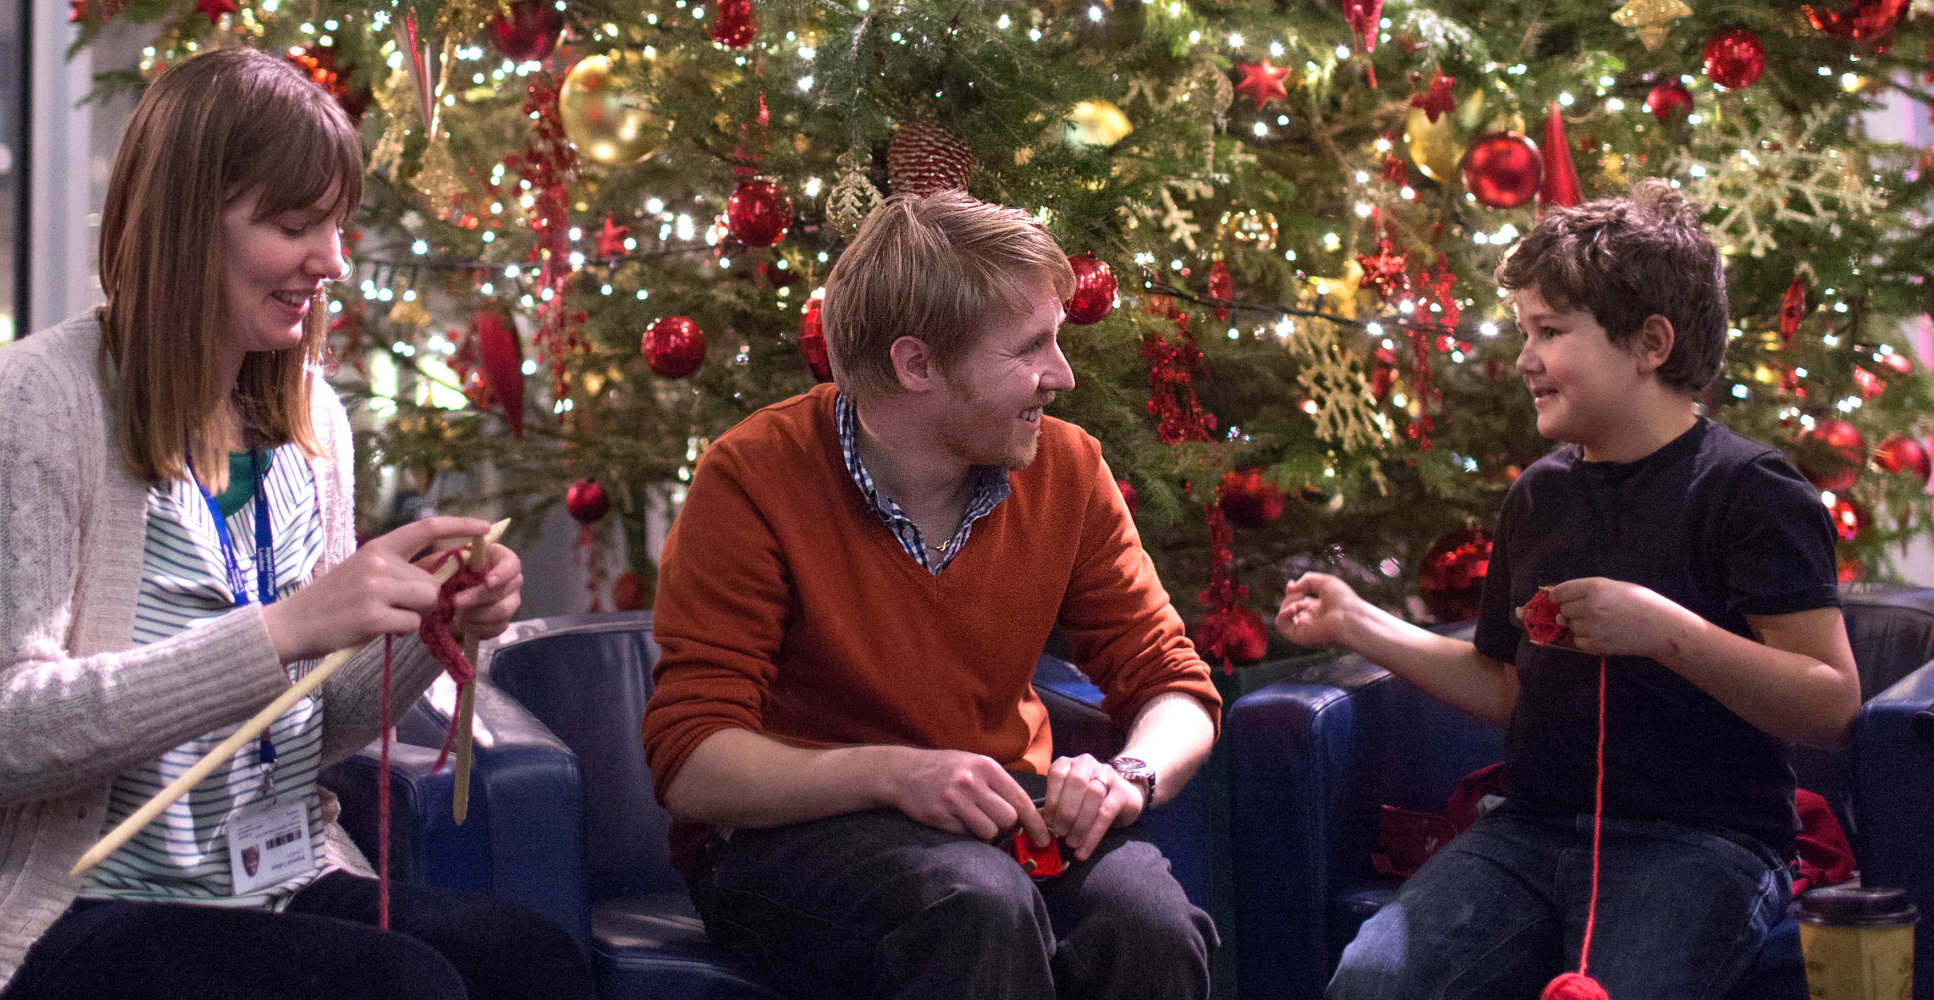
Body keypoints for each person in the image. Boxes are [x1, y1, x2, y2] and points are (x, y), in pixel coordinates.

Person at [0, 48, 594, 1000]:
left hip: (275, 880)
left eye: (336, 224)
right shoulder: (41, 401)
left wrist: (431, 629)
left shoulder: (315, 421)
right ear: (187, 228)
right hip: (81, 908)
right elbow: (10, 732)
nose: (332, 260)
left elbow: (304, 735)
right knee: (400, 987)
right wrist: (284, 628)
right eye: (293, 225)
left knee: (531, 961)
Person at [1276, 179, 1859, 1000]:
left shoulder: (1750, 490)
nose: (1524, 360)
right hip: (1530, 831)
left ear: (1651, 342)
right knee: (1370, 984)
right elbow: (1511, 688)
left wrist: (1664, 631)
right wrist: (1359, 622)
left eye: (1550, 331)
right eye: (1524, 332)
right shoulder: (1539, 496)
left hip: (1705, 842)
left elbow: (1830, 704)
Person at [642, 191, 1223, 999]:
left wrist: (1129, 773)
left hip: (1001, 817)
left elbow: (1174, 685)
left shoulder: (1068, 468)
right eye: (1031, 348)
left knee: (1148, 924)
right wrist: (894, 774)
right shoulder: (752, 476)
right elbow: (692, 763)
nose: (1063, 375)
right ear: (916, 365)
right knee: (973, 905)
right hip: (791, 837)